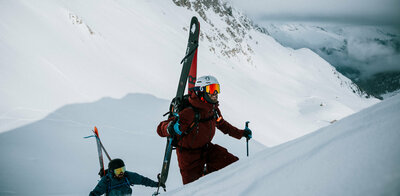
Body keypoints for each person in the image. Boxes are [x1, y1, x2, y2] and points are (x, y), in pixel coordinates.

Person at [157, 75, 252, 184]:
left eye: (217, 89)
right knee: (194, 189)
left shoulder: (213, 110)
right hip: (189, 158)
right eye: (211, 89)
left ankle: (208, 176)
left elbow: (223, 125)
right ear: (201, 92)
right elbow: (160, 128)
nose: (215, 93)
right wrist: (169, 128)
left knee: (233, 165)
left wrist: (241, 133)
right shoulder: (190, 112)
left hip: (206, 149)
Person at [90, 158, 164, 196]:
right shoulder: (106, 181)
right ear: (112, 171)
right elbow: (94, 194)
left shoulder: (127, 176)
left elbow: (143, 180)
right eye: (118, 171)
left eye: (123, 169)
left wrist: (157, 184)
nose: (121, 173)